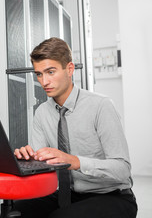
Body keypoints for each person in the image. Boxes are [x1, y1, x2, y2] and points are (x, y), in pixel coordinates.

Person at [13, 37, 137, 218]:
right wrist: (29, 160)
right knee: (16, 210)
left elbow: (122, 169)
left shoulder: (101, 106)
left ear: (69, 69)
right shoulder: (42, 113)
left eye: (50, 72)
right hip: (68, 195)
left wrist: (74, 161)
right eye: (39, 74)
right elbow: (43, 168)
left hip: (111, 195)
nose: (44, 81)